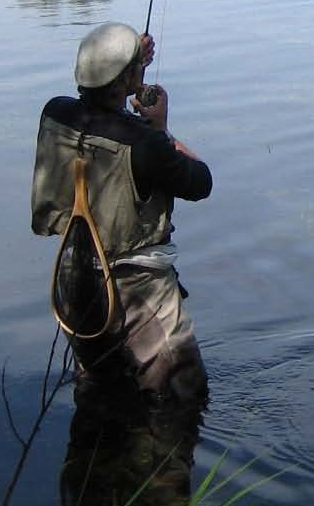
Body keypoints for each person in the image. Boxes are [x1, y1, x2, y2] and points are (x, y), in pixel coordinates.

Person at [31, 21, 213, 402]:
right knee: (182, 400)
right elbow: (201, 182)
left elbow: (101, 115)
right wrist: (161, 129)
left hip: (75, 280)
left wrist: (128, 63)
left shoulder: (55, 114)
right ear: (127, 78)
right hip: (138, 288)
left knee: (101, 395)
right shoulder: (146, 144)